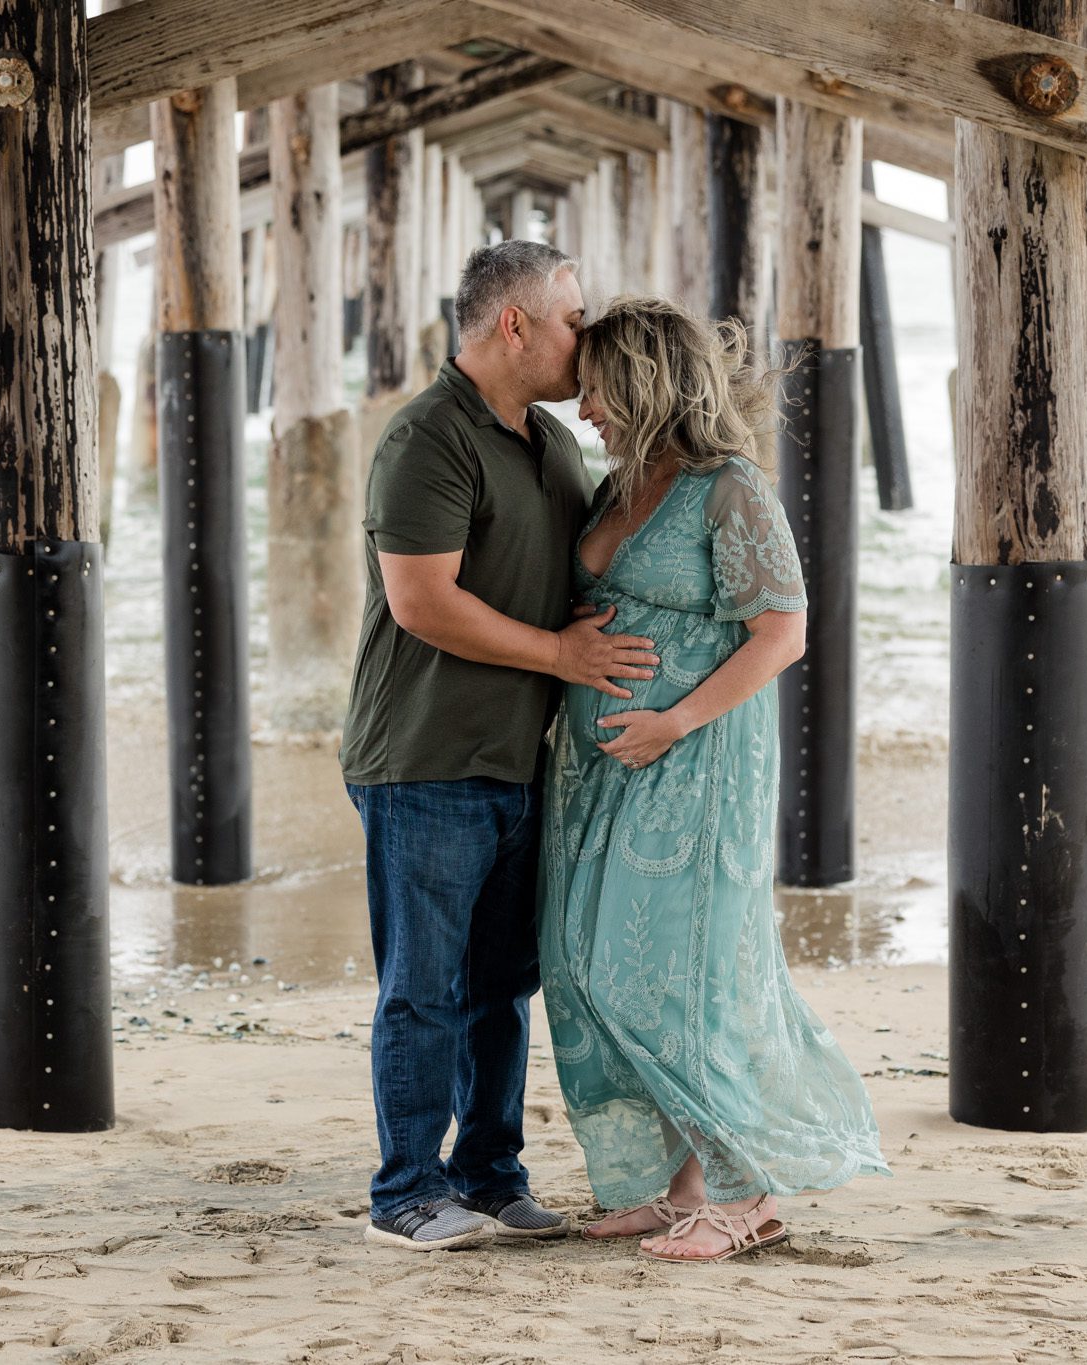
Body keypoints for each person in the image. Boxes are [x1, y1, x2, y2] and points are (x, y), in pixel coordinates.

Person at [540, 297, 891, 1263]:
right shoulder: (619, 485)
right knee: (583, 963)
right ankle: (686, 1184)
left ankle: (750, 1193)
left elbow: (783, 633)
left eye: (598, 391)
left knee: (675, 976)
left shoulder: (730, 488)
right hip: (598, 767)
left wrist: (673, 721)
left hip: (696, 759)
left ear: (645, 384)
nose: (584, 409)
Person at [340, 241, 659, 1251]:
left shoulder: (551, 441)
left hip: (523, 760)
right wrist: (564, 655)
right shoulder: (427, 439)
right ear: (514, 326)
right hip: (425, 757)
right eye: (573, 318)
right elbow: (422, 603)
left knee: (500, 990)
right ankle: (404, 1194)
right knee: (423, 990)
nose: (586, 335)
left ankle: (487, 1177)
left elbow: (572, 575)